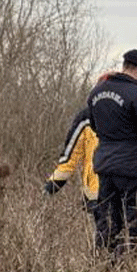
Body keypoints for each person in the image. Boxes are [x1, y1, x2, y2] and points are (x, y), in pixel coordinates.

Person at [88, 49, 137, 254]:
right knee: (136, 218)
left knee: (107, 219)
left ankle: (103, 262)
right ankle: (126, 264)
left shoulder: (96, 92)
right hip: (132, 166)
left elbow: (94, 125)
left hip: (104, 163)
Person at [44, 106, 105, 248]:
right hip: (99, 193)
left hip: (116, 192)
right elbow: (70, 157)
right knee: (107, 241)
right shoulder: (88, 116)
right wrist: (53, 185)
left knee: (109, 241)